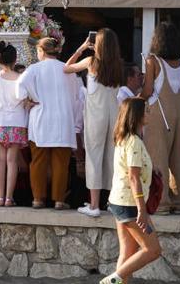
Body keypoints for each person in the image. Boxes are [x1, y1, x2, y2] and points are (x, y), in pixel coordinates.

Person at [100, 98, 162, 284]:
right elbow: (133, 176)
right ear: (138, 115)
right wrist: (142, 210)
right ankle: (113, 280)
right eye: (147, 111)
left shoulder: (123, 138)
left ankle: (117, 280)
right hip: (129, 204)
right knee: (153, 250)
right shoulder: (134, 141)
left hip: (119, 201)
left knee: (127, 253)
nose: (149, 114)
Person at [64, 28, 124, 217]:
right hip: (113, 115)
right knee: (112, 158)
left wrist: (82, 48)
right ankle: (114, 202)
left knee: (94, 156)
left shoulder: (91, 61)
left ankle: (94, 205)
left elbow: (66, 68)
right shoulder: (118, 66)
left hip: (95, 115)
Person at [17, 38, 80, 209]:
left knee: (38, 160)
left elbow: (20, 85)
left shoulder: (34, 69)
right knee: (61, 161)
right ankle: (59, 199)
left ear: (42, 51)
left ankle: (38, 198)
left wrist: (29, 99)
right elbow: (76, 96)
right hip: (63, 119)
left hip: (41, 117)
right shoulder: (67, 69)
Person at [140, 21, 180, 214]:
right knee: (177, 159)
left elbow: (148, 90)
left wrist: (137, 99)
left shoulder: (153, 60)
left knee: (157, 158)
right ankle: (178, 202)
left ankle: (160, 203)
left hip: (158, 114)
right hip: (178, 113)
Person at [0, 41, 28, 207]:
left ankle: (0, 197)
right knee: (12, 161)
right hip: (17, 122)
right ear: (15, 59)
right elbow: (25, 101)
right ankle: (9, 198)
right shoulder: (21, 78)